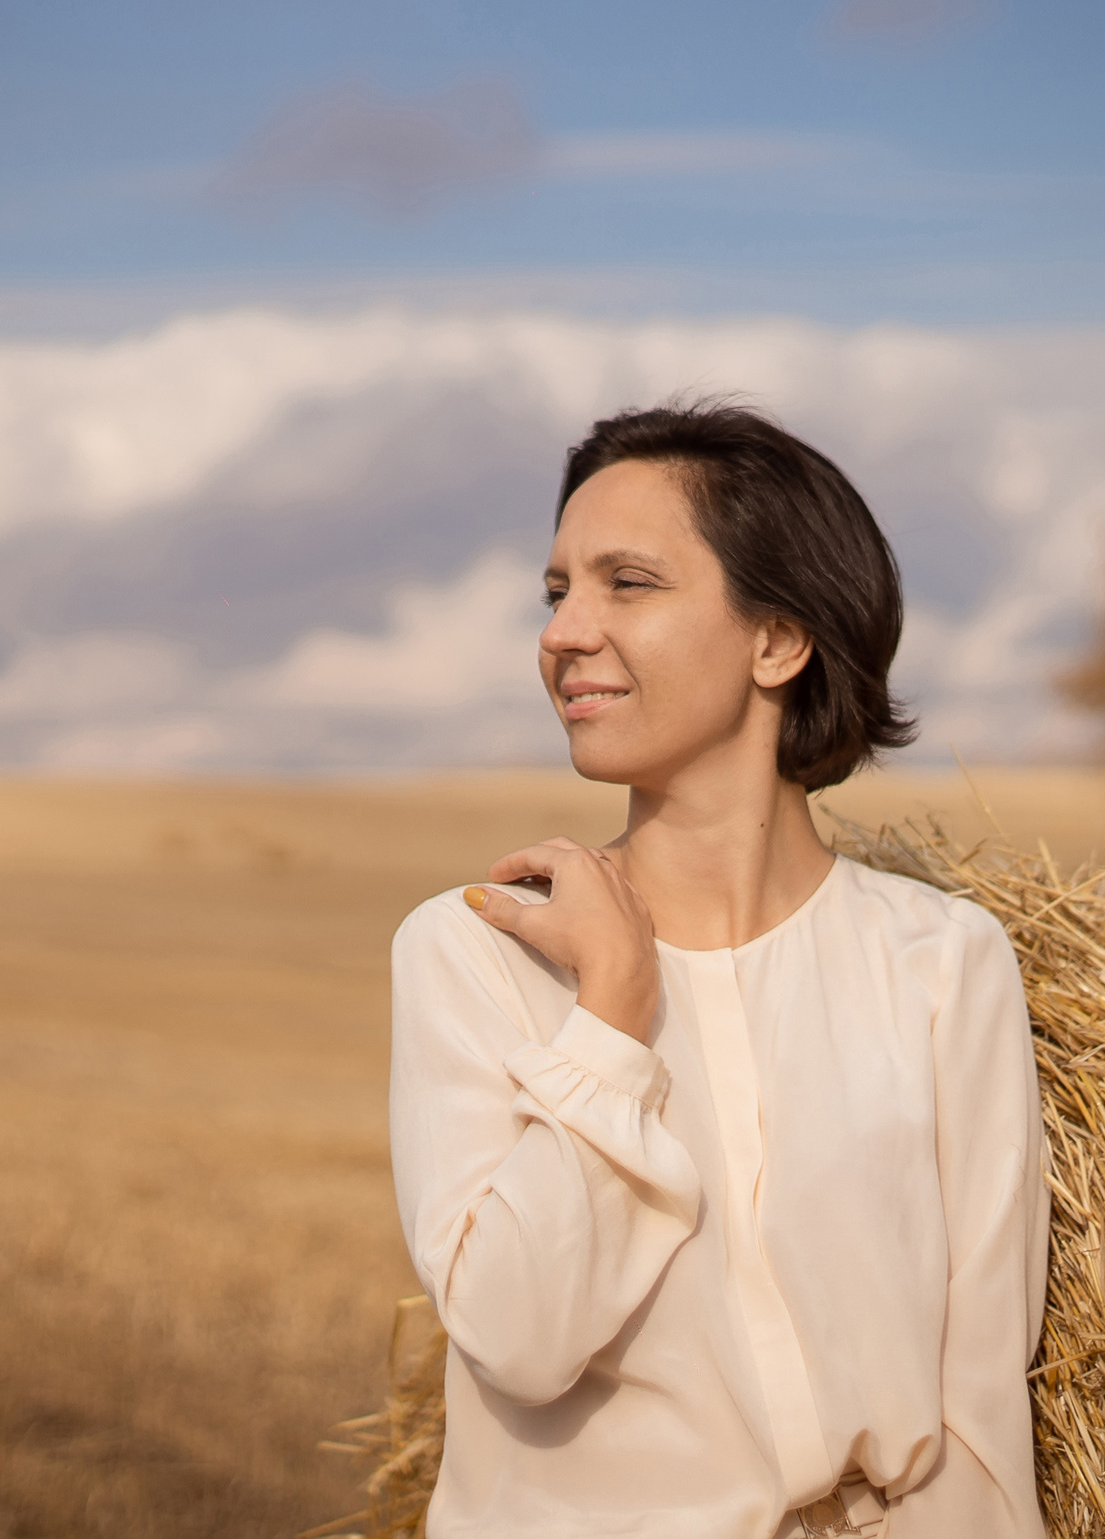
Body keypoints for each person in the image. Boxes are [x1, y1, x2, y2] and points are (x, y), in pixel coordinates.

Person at [388, 401, 1049, 1538]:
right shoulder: (475, 949)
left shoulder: (942, 963)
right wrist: (610, 1019)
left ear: (777, 641)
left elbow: (981, 1408)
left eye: (627, 584)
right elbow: (517, 1338)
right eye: (557, 592)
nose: (564, 632)